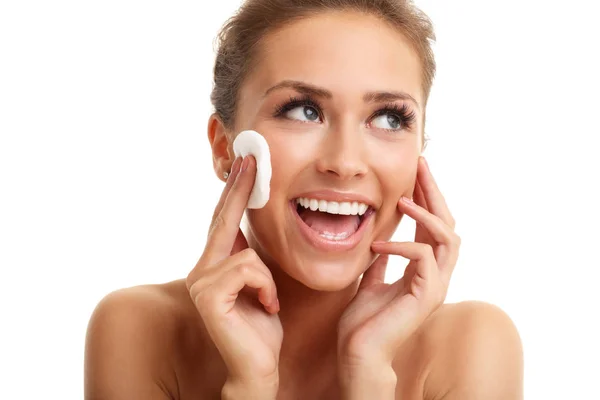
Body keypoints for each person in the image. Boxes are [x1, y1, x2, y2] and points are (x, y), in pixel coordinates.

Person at [84, 0, 524, 398]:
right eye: (303, 111)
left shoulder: (472, 344)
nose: (346, 162)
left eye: (389, 118)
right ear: (225, 148)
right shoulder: (139, 331)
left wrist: (368, 377)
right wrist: (250, 386)